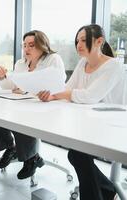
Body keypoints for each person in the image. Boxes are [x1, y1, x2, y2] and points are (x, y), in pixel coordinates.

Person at [38, 24, 125, 200]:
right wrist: (53, 95)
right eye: (77, 40)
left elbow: (90, 96)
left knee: (77, 154)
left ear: (99, 41)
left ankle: (106, 191)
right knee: (77, 154)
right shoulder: (82, 63)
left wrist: (59, 94)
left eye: (84, 40)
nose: (78, 44)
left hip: (113, 126)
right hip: (89, 122)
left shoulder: (113, 65)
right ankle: (108, 190)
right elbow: (68, 89)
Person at [0, 30, 66, 179]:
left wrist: (29, 91)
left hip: (49, 107)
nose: (26, 49)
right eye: (24, 45)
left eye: (31, 45)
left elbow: (59, 85)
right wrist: (2, 77)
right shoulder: (21, 63)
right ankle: (11, 147)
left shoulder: (53, 59)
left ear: (42, 45)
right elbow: (10, 86)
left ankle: (31, 158)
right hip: (26, 105)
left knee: (22, 117)